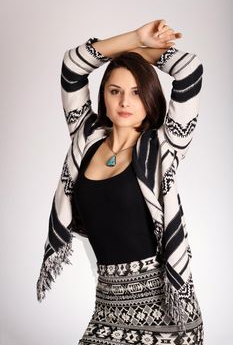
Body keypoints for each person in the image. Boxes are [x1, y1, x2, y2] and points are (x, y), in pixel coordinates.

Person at [37, 19, 204, 344]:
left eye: (137, 92)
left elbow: (190, 70)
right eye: (115, 91)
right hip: (107, 305)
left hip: (166, 312)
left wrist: (141, 55)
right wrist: (136, 38)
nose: (125, 102)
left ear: (151, 97)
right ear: (105, 97)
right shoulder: (85, 138)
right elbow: (72, 66)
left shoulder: (164, 146)